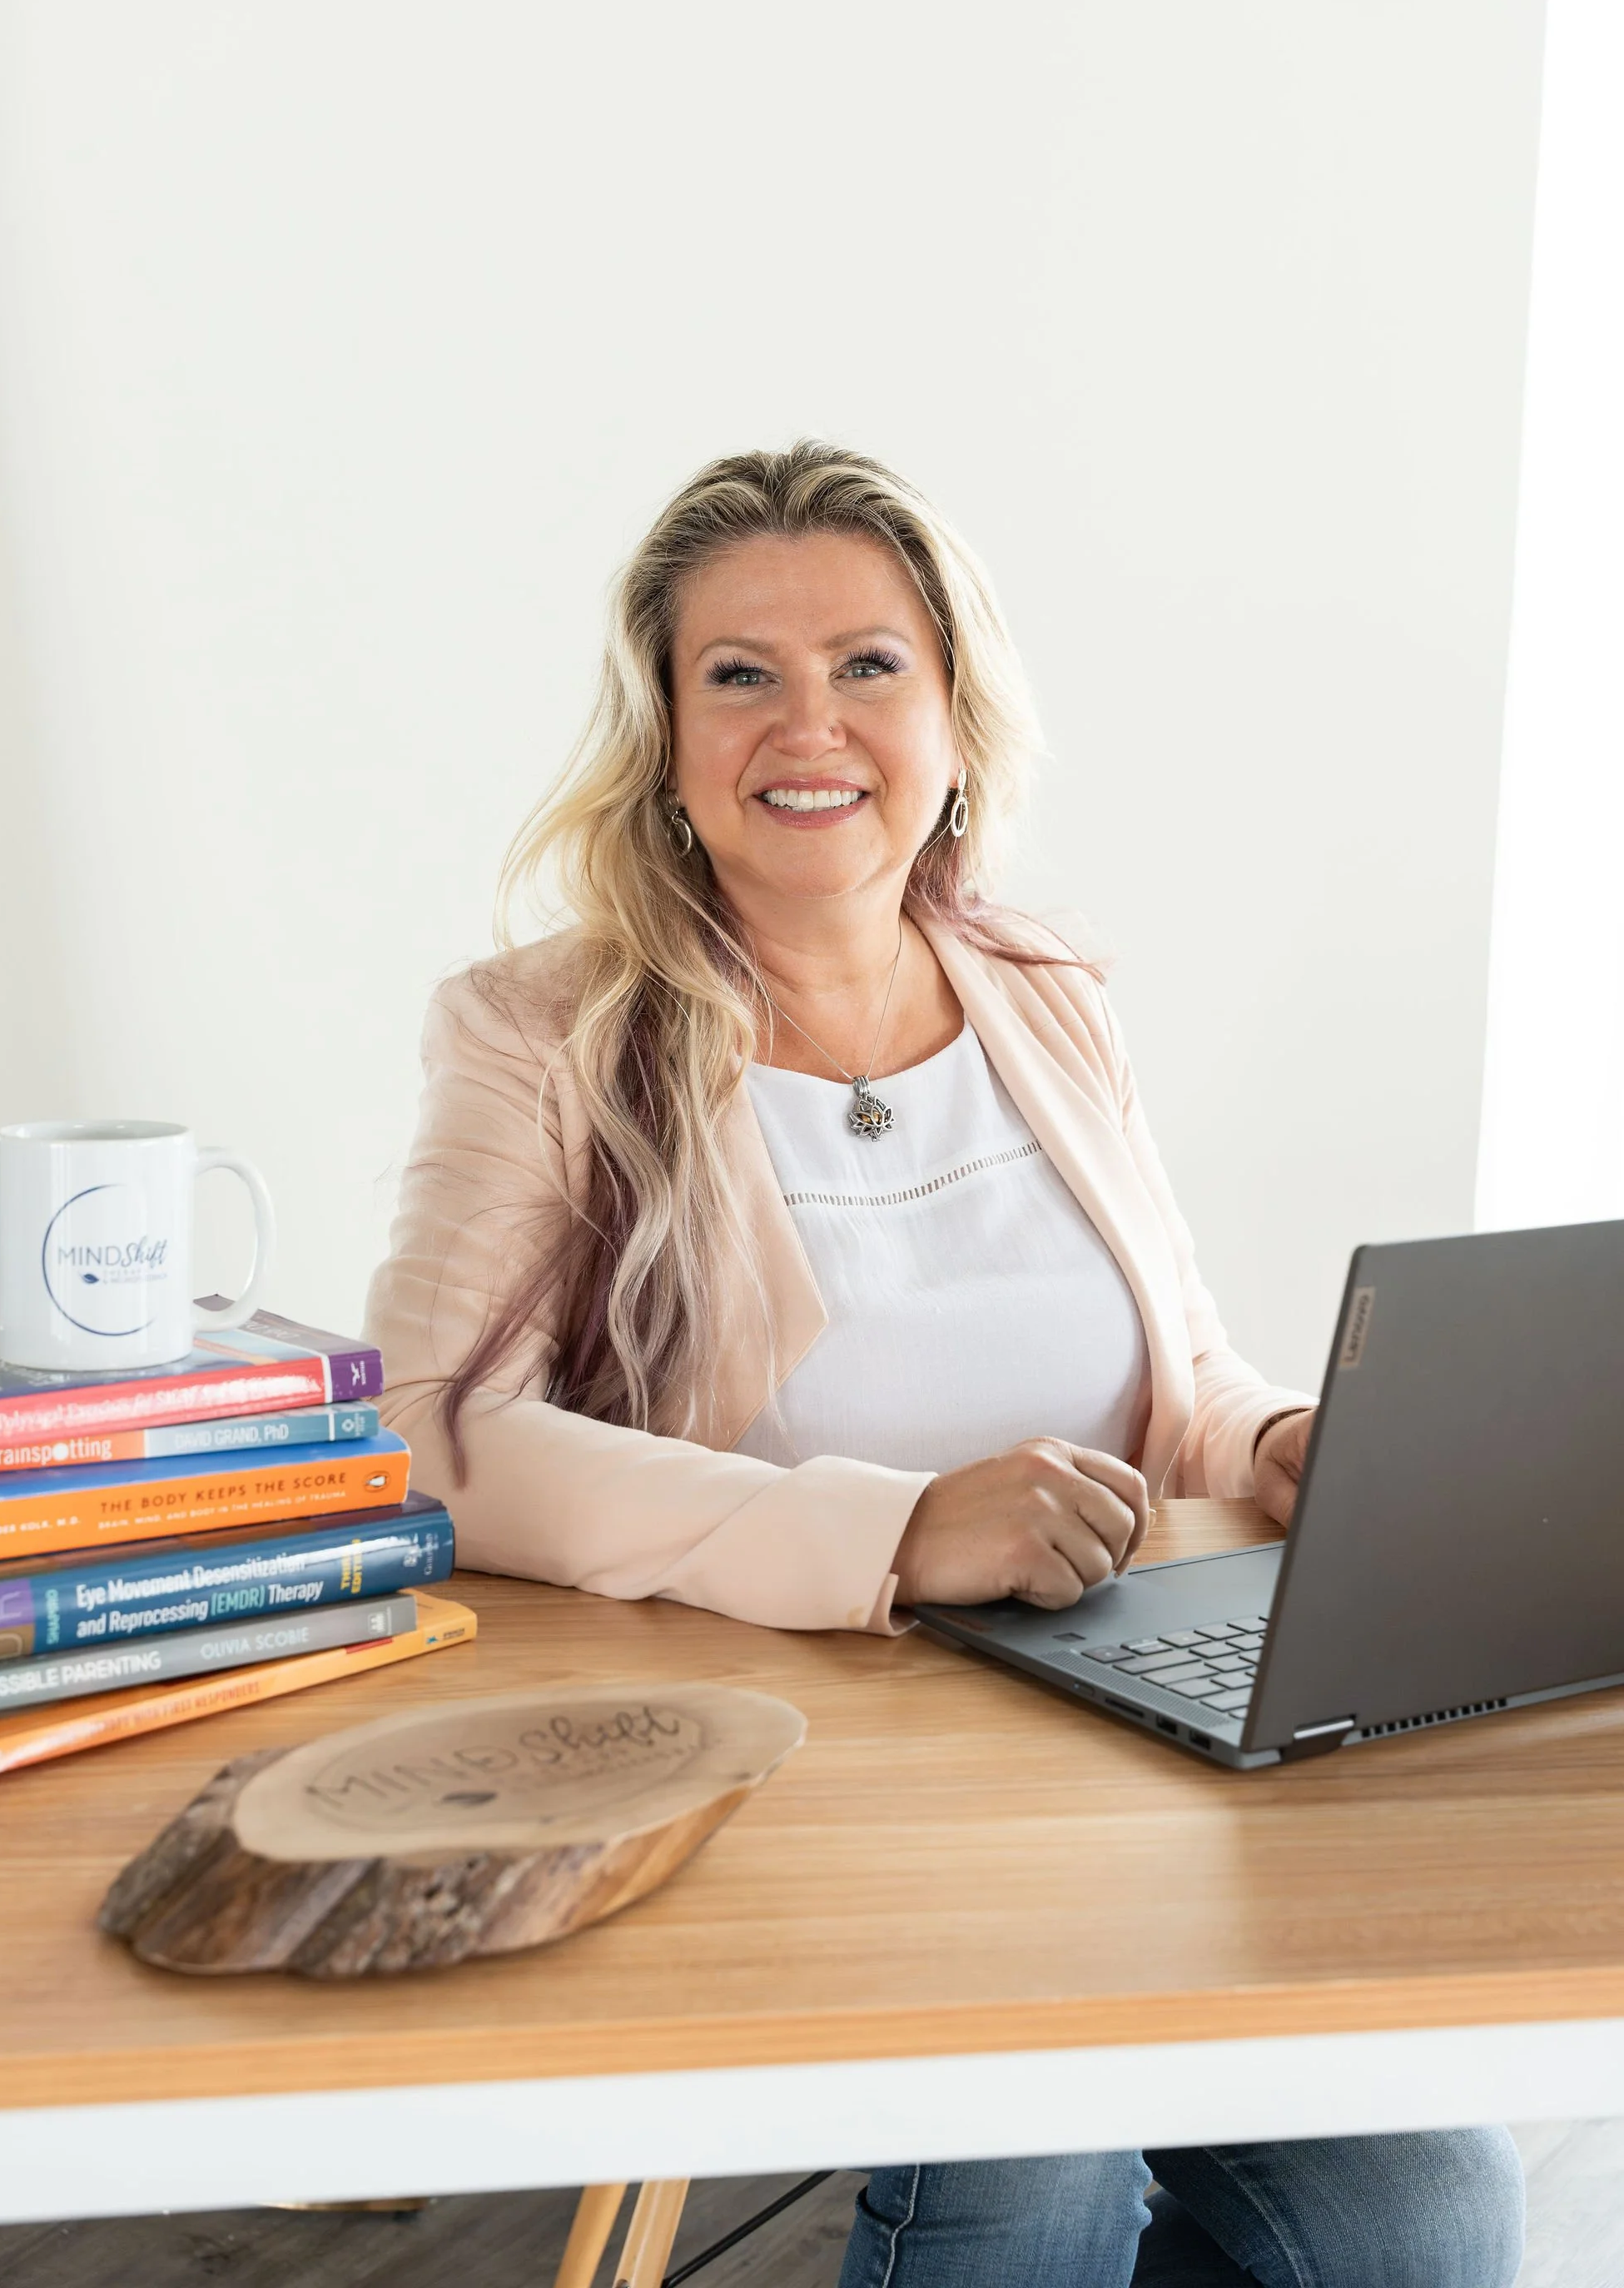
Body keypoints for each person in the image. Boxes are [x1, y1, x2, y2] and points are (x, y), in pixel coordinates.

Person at [367, 443, 1524, 2287]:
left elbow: (1178, 1373)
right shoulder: (541, 1035)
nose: (805, 721)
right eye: (738, 672)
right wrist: (898, 1533)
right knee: (1035, 2173)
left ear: (955, 714)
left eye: (867, 664)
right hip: (803, 1761)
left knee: (1434, 2206)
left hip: (1116, 1738)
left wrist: (1289, 1436)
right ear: (664, 738)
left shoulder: (1046, 989)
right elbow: (427, 1446)